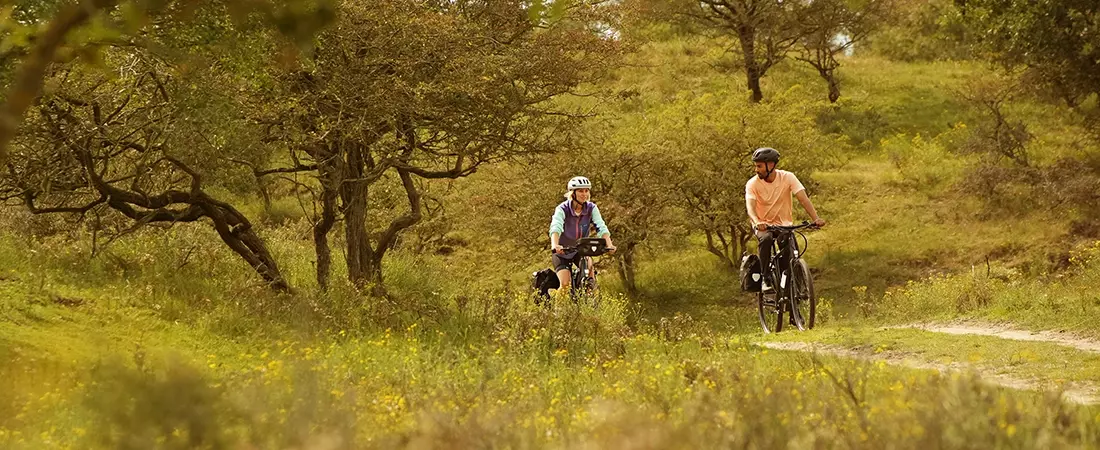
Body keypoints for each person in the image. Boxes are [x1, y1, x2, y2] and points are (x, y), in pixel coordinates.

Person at [744, 147, 826, 292]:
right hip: (763, 225)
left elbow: (803, 199)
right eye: (756, 166)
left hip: (783, 224)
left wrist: (816, 218)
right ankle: (765, 279)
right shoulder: (752, 184)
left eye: (759, 166)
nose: (756, 170)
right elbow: (750, 207)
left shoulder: (788, 177)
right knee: (767, 239)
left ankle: (792, 284)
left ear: (771, 165)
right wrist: (757, 222)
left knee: (789, 248)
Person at [548, 176, 615, 297]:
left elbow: (601, 227)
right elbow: (556, 227)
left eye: (586, 190)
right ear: (572, 194)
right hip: (563, 251)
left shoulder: (591, 208)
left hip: (580, 250)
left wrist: (609, 244)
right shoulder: (562, 209)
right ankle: (558, 312)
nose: (584, 194)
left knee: (590, 269)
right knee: (565, 284)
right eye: (580, 191)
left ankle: (590, 302)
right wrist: (555, 244)